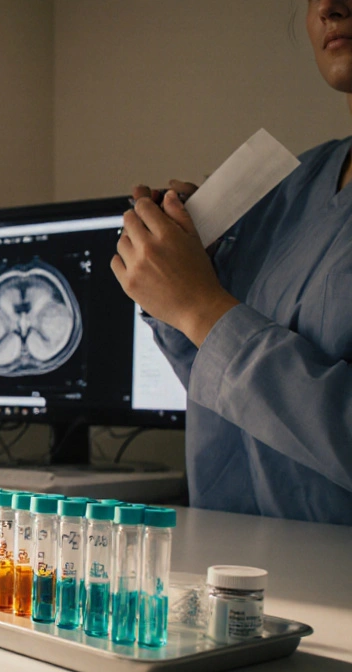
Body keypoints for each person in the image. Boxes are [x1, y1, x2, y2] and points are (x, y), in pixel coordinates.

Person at [112, 0, 352, 525]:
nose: (331, 6)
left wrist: (203, 308)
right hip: (236, 572)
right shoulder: (294, 187)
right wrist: (186, 289)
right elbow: (230, 403)